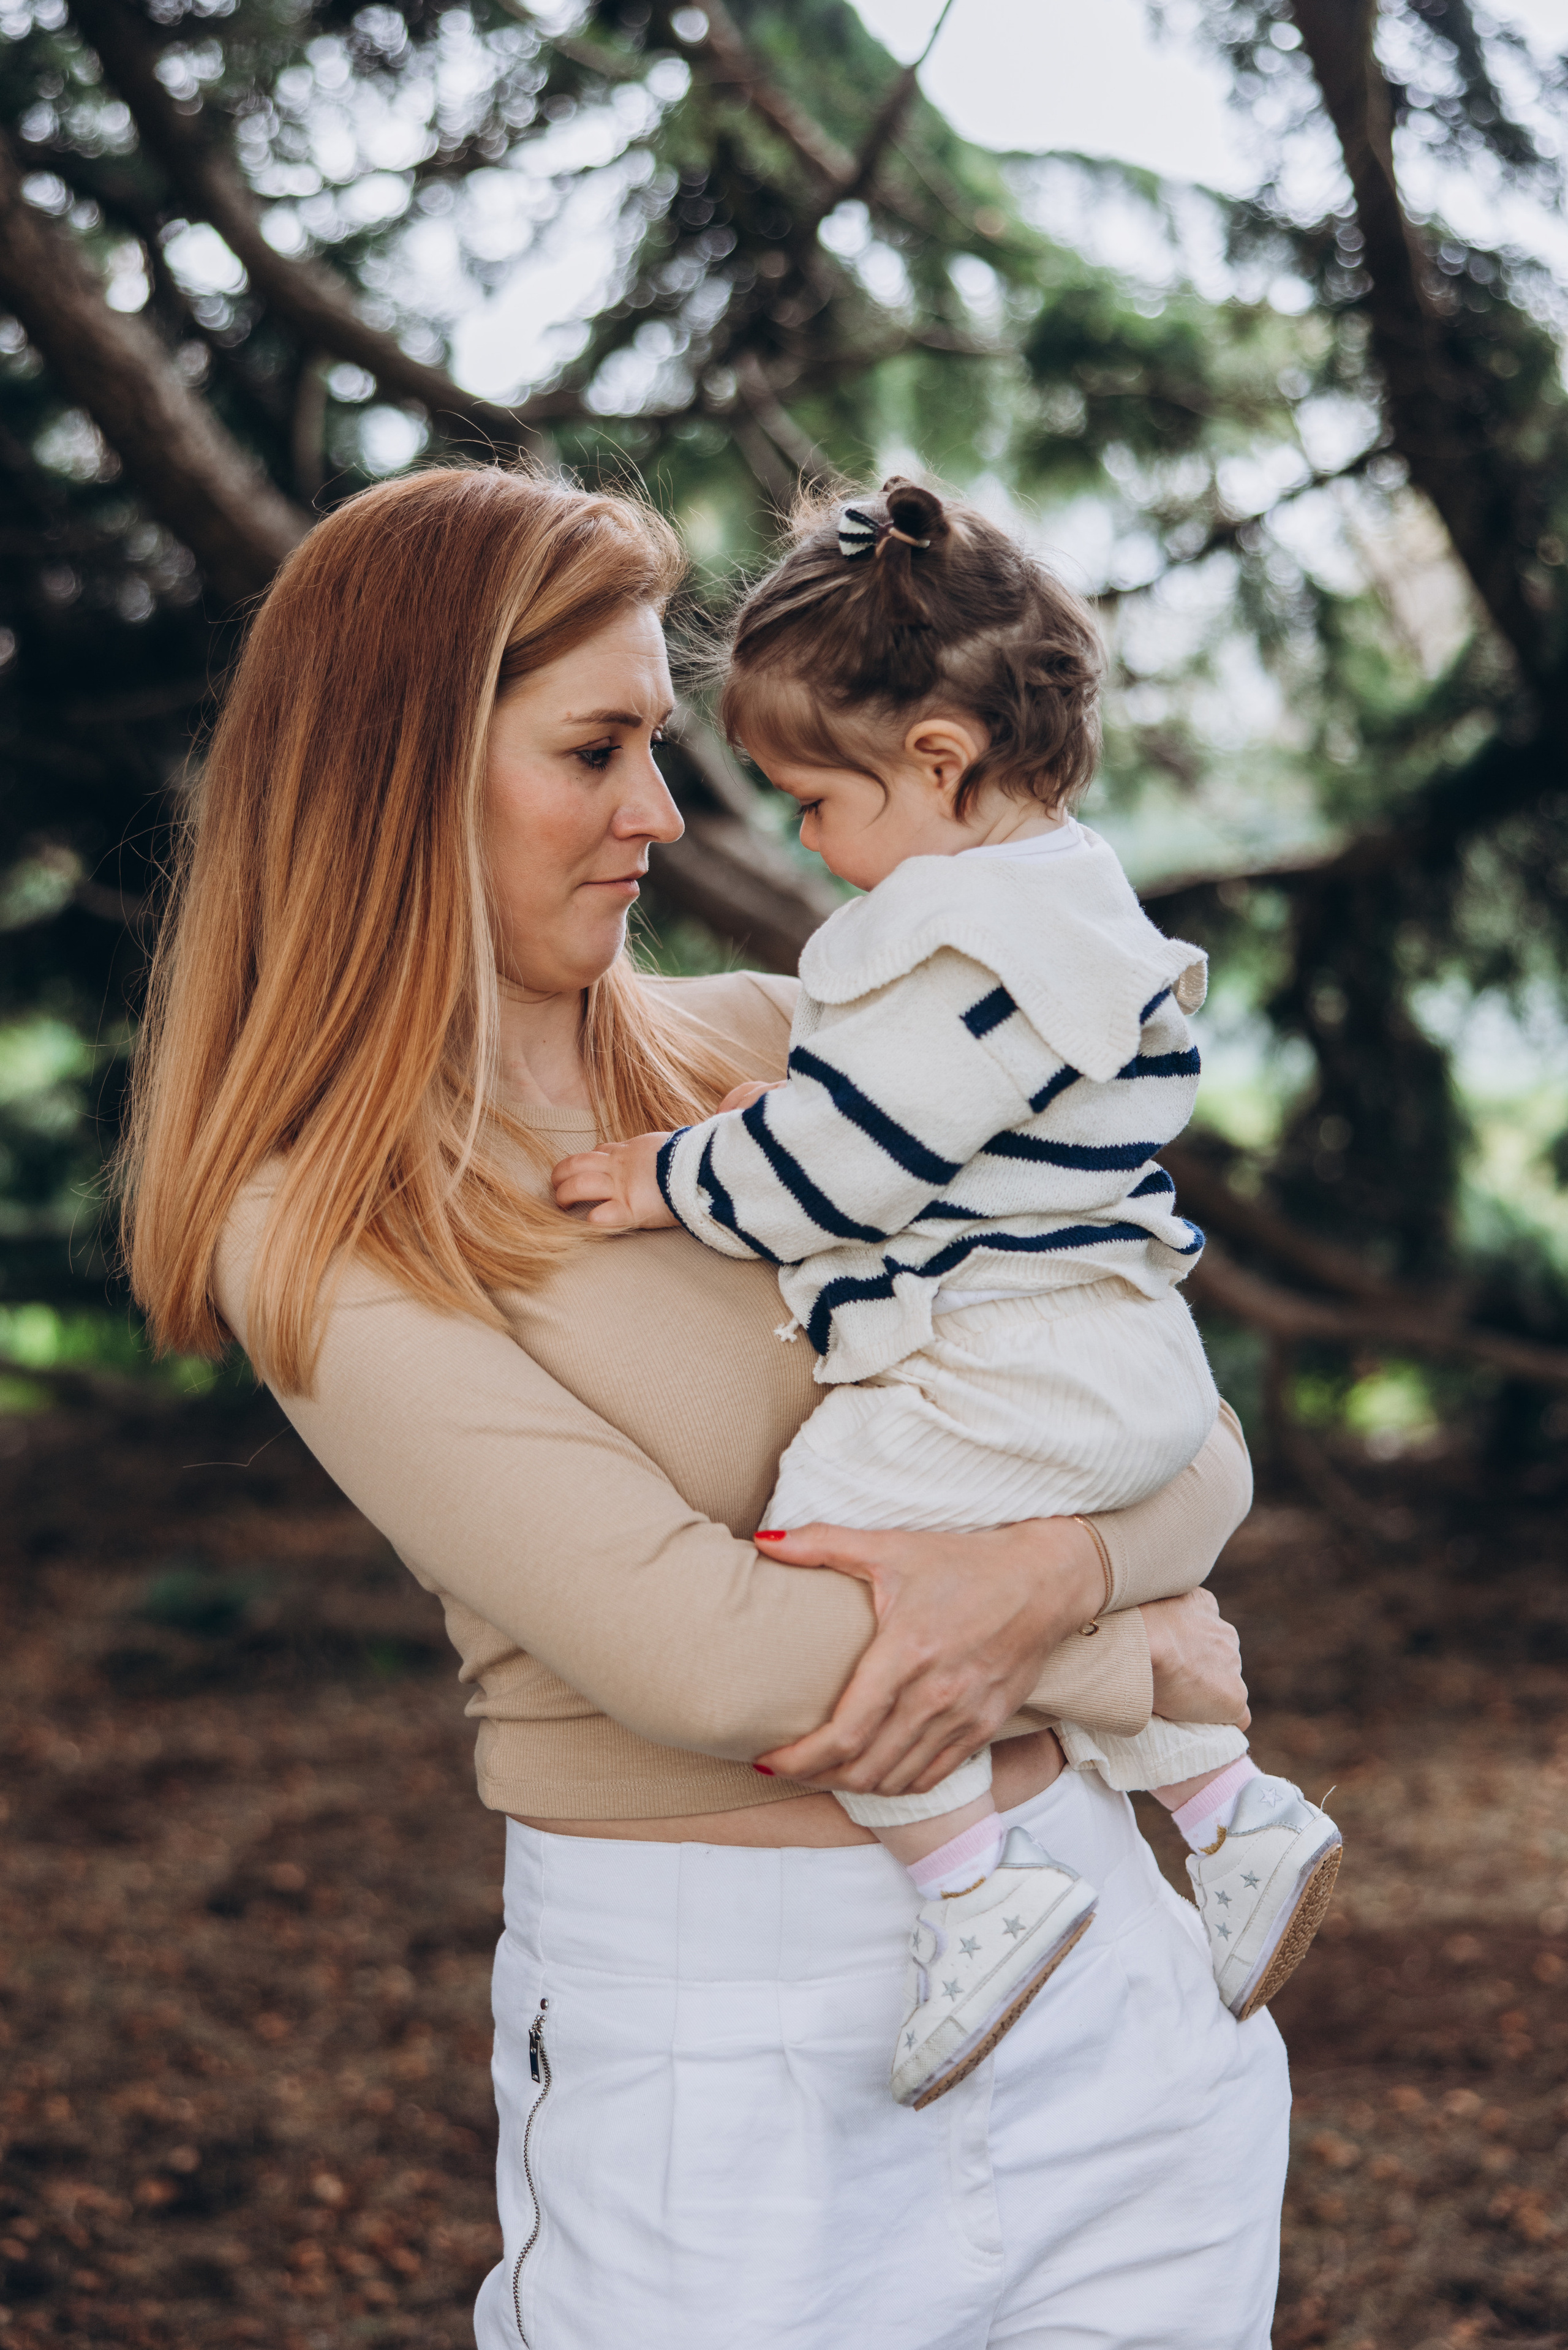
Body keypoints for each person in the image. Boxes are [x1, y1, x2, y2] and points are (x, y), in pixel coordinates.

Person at [119, 464, 1289, 2350]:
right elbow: (714, 1667)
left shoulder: (783, 1057)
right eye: (595, 751)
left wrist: (1079, 1555)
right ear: (401, 774)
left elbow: (1186, 1434)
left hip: (1103, 1990)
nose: (662, 814)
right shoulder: (316, 1217)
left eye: (660, 746)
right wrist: (1110, 1634)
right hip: (730, 2068)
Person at [555, 476, 1341, 2109]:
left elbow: (841, 1159)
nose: (804, 848)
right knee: (1033, 1572)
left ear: (936, 765)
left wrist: (667, 1178)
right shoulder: (1067, 905)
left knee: (827, 1552)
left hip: (1007, 1362)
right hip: (1117, 1357)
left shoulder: (972, 949)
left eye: (814, 808)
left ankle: (974, 1889)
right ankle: (1232, 1818)